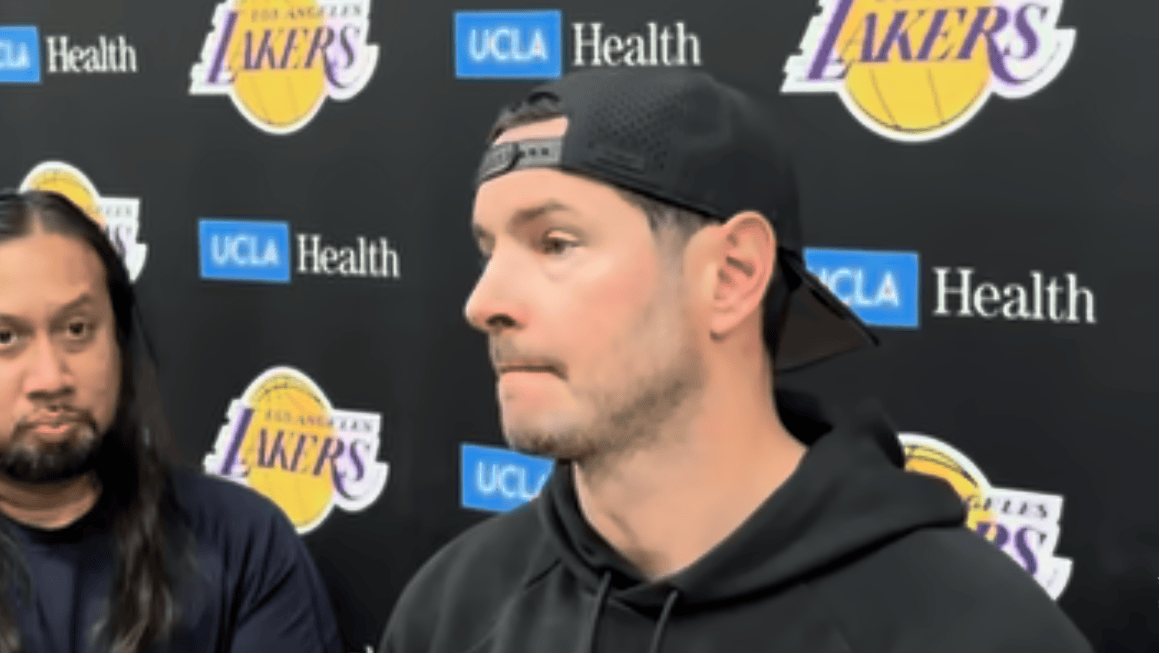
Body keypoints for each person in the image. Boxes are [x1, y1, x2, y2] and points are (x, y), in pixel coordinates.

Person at [378, 67, 1093, 653]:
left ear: (731, 275)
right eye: (487, 250)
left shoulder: (971, 630)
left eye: (556, 243)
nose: (483, 302)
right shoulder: (454, 605)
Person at [0, 190, 343, 653]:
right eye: (5, 337)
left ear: (119, 341)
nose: (50, 378)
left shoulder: (241, 542)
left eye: (77, 329)